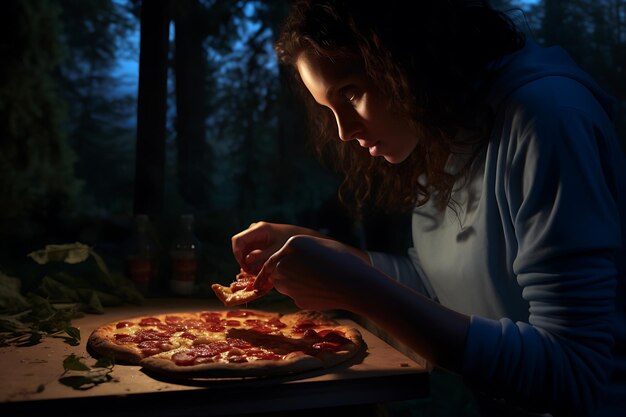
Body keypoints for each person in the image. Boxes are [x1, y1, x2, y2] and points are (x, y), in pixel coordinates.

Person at [231, 1, 626, 416]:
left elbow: (575, 374)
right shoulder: (442, 132)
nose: (344, 132)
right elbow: (441, 290)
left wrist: (362, 290)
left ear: (405, 58)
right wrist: (337, 260)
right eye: (328, 110)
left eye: (350, 93)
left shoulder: (548, 118)